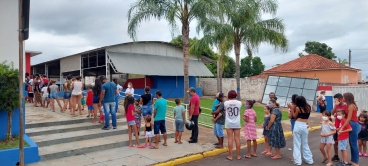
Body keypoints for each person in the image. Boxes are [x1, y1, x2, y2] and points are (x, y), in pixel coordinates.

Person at [291, 96, 313, 165]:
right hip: (305, 124)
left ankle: (298, 161)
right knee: (305, 143)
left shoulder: (298, 108)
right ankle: (309, 160)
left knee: (297, 143)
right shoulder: (309, 107)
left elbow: (295, 116)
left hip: (298, 124)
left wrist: (292, 108)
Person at [341, 92, 360, 166]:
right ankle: (353, 160)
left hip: (353, 124)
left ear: (347, 98)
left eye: (344, 97)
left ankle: (356, 162)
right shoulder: (350, 105)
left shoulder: (351, 106)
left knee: (353, 144)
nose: (343, 98)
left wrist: (342, 127)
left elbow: (348, 119)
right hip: (353, 124)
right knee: (352, 144)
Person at [224, 90, 242, 161]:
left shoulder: (226, 103)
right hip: (237, 123)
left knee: (230, 139)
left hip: (229, 123)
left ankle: (230, 156)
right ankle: (238, 156)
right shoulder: (239, 103)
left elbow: (225, 106)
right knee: (237, 139)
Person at [331, 93, 346, 162]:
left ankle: (344, 159)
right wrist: (335, 106)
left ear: (340, 99)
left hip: (342, 127)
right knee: (335, 142)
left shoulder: (346, 106)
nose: (335, 101)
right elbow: (332, 112)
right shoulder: (336, 105)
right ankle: (336, 156)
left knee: (342, 143)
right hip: (336, 126)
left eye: (336, 100)